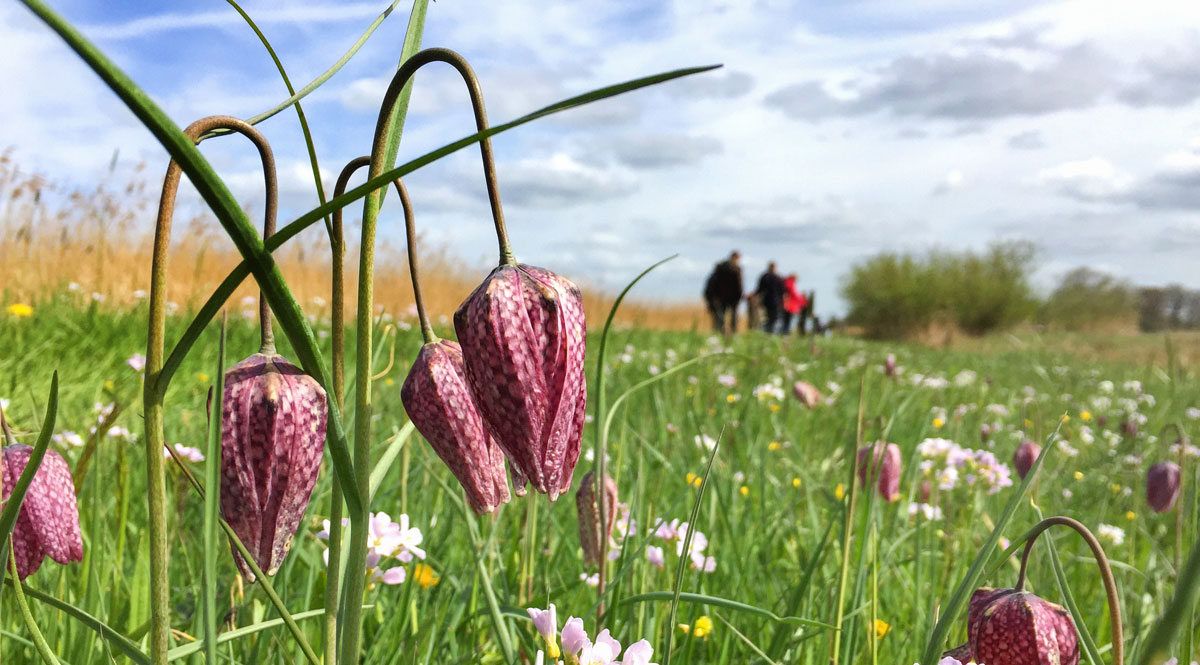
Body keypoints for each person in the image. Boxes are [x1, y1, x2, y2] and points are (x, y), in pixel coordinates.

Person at [703, 251, 743, 335]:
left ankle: (721, 332)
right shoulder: (736, 269)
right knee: (734, 316)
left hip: (721, 296)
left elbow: (713, 282)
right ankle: (733, 333)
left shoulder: (720, 268)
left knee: (721, 316)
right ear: (736, 257)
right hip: (733, 297)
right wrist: (739, 295)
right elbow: (739, 284)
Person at [754, 261, 784, 333]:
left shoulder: (765, 276)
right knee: (774, 317)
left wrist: (756, 296)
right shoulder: (778, 277)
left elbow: (759, 289)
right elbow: (782, 291)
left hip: (767, 300)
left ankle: (769, 331)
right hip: (775, 301)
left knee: (769, 317)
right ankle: (771, 332)